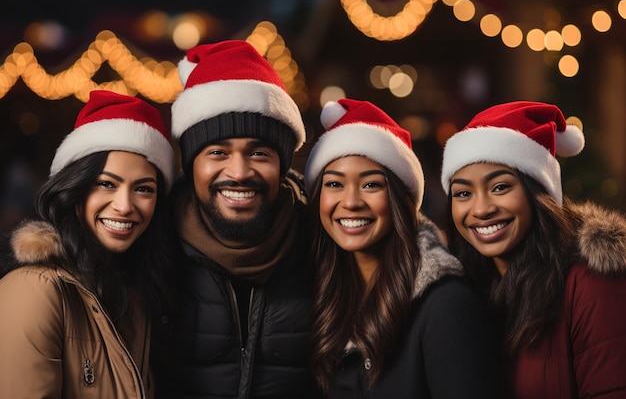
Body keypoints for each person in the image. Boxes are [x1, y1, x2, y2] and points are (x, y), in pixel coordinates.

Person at [152, 40, 320, 399]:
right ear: (191, 163)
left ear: (282, 165)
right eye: (218, 152)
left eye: (258, 152)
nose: (240, 172)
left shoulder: (323, 241)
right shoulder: (152, 243)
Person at [303, 98, 500, 399]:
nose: (352, 201)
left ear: (399, 200)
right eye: (334, 184)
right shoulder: (322, 295)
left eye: (371, 185)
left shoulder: (446, 305)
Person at [440, 101, 626, 398]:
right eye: (463, 193)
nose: (481, 209)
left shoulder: (592, 283)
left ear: (537, 193)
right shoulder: (467, 288)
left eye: (500, 187)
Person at [0, 90, 177, 398]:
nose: (124, 205)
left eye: (144, 189)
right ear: (75, 189)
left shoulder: (135, 295)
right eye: (106, 184)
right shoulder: (34, 289)